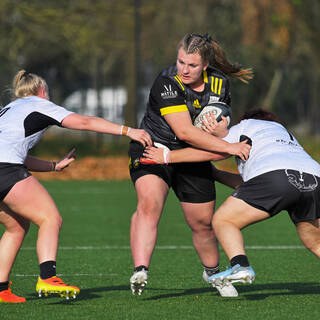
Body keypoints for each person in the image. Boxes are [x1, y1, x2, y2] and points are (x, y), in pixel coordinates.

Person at [0, 70, 152, 303]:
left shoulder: (9, 109)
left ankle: (1, 289)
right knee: (50, 218)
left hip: (5, 167)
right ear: (43, 91)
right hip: (5, 169)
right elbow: (84, 122)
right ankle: (48, 277)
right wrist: (128, 130)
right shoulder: (40, 104)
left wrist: (53, 166)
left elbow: (15, 154)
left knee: (17, 227)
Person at [128, 33, 252, 297]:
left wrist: (220, 133)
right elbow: (184, 131)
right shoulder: (167, 81)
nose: (184, 69)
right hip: (154, 146)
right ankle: (141, 269)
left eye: (192, 65)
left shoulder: (220, 84)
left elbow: (217, 129)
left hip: (193, 153)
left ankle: (214, 274)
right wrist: (230, 148)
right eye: (181, 61)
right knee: (149, 202)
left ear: (205, 65)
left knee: (203, 223)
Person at [142, 108, 320, 292]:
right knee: (316, 243)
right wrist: (216, 174)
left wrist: (168, 156)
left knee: (223, 220)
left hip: (275, 178)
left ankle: (240, 265)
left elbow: (217, 152)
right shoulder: (283, 133)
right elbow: (253, 184)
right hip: (314, 178)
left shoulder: (246, 125)